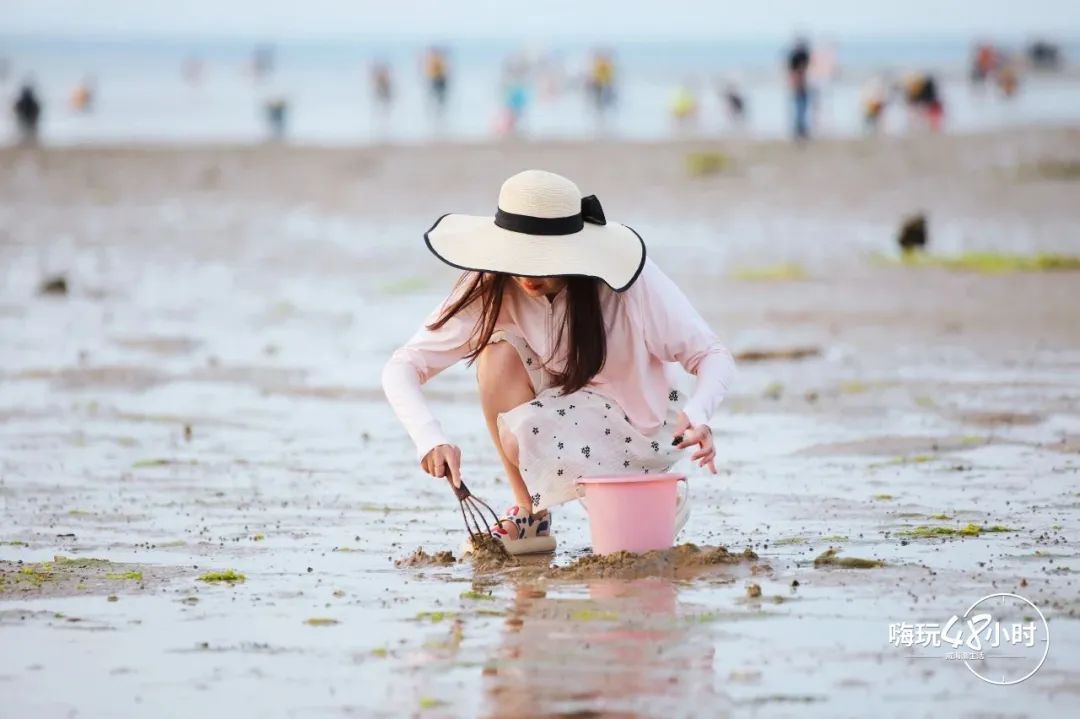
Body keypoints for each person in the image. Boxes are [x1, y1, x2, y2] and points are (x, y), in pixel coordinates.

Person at [382, 170, 735, 554]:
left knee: (630, 552)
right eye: (517, 257)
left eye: (544, 260)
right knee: (497, 354)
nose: (528, 274)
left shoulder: (626, 280)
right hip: (561, 418)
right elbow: (403, 366)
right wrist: (430, 439)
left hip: (643, 430)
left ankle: (653, 493)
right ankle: (530, 515)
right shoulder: (491, 285)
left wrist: (699, 414)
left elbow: (711, 355)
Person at [786, 37, 812, 140]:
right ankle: (799, 130)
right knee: (799, 109)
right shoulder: (796, 57)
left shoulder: (800, 57)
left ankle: (801, 130)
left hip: (801, 87)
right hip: (798, 87)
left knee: (801, 109)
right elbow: (794, 73)